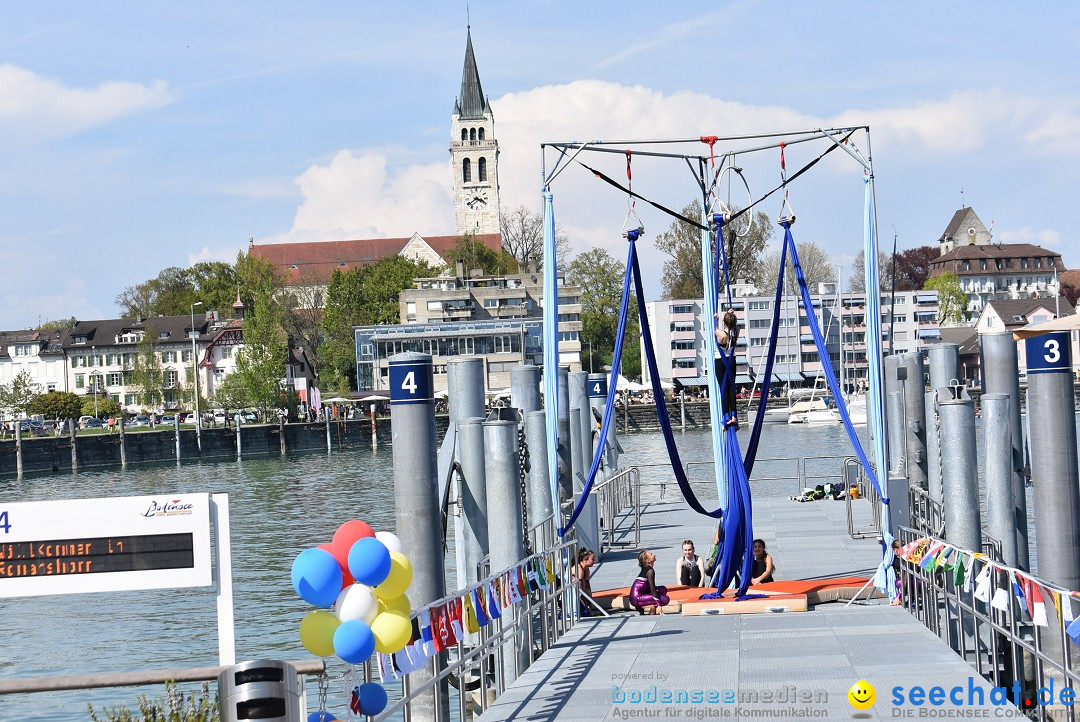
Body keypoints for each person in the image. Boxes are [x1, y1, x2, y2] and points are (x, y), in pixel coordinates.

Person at [714, 310, 740, 429]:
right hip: (731, 361)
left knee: (723, 389)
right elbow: (732, 326)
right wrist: (730, 315)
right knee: (731, 388)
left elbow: (714, 330)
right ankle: (734, 416)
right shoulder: (737, 331)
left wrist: (716, 319)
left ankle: (726, 417)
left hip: (721, 361)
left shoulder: (721, 334)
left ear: (724, 322)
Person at [629, 550, 670, 614]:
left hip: (641, 593)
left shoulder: (647, 568)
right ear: (647, 561)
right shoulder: (650, 571)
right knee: (665, 599)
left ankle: (650, 606)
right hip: (636, 598)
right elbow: (652, 588)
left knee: (663, 589)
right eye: (651, 554)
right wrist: (659, 605)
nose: (654, 555)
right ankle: (646, 606)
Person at [576, 548, 596, 614]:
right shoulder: (579, 569)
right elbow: (579, 590)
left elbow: (588, 587)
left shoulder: (586, 570)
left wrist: (589, 605)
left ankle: (586, 608)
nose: (594, 561)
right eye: (592, 559)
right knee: (583, 587)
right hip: (567, 587)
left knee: (587, 590)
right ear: (585, 560)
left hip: (578, 586)